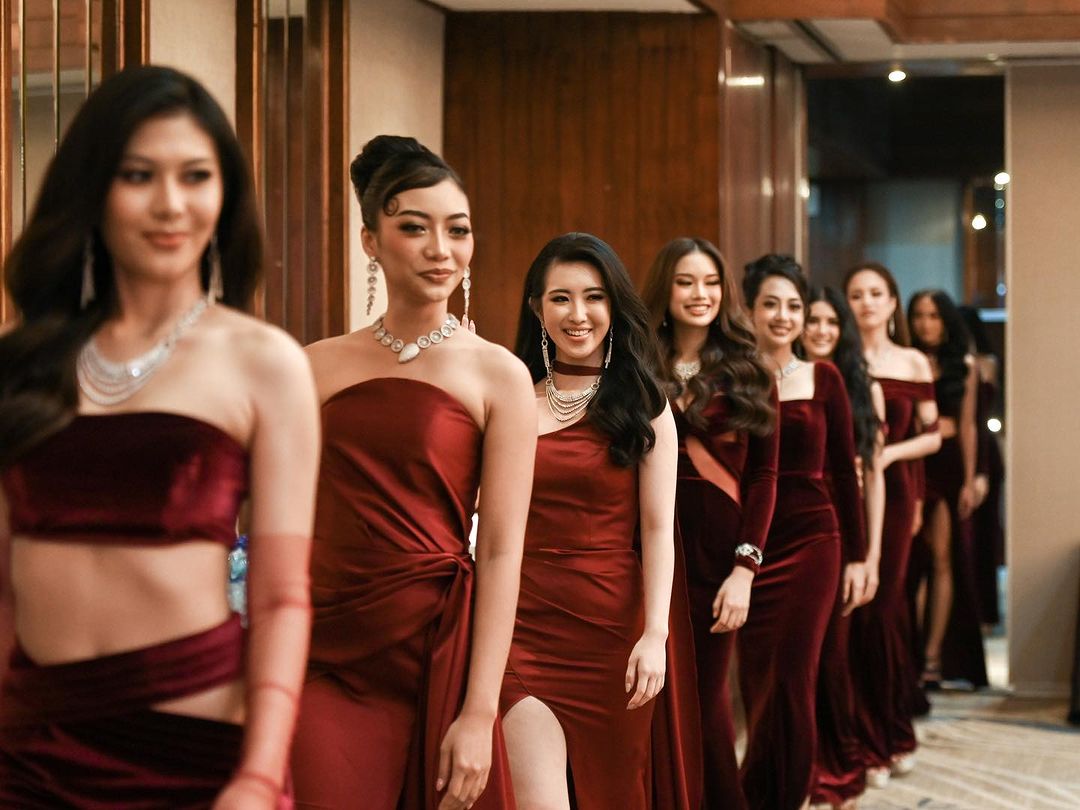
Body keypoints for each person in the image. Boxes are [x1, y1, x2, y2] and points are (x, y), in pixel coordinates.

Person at [0, 65, 319, 807]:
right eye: (138, 175)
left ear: (225, 195)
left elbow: (280, 599)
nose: (171, 205)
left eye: (196, 176)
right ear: (93, 190)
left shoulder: (263, 363)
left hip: (195, 754)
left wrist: (260, 775)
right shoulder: (22, 364)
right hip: (31, 750)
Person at [290, 135, 536, 810]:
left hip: (436, 648)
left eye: (457, 230)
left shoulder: (499, 375)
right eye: (413, 228)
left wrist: (480, 711)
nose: (440, 250)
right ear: (371, 242)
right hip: (323, 644)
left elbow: (504, 548)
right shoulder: (314, 366)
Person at [501, 232, 681, 809]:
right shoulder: (508, 398)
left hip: (612, 632)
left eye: (594, 297)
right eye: (560, 298)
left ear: (614, 306)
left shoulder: (645, 404)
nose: (578, 315)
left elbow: (657, 529)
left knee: (615, 796)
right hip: (519, 627)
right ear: (537, 307)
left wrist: (655, 632)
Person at [640, 237, 777, 810]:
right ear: (665, 291)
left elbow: (765, 479)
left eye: (711, 283)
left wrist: (745, 569)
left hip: (719, 562)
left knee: (707, 708)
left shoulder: (750, 372)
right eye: (686, 282)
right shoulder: (637, 364)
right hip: (645, 555)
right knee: (651, 704)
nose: (700, 295)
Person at [739, 255, 867, 810]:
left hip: (815, 541)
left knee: (793, 679)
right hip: (747, 546)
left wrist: (860, 557)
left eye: (794, 306)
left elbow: (845, 470)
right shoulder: (734, 379)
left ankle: (790, 795)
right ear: (748, 310)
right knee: (757, 684)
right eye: (771, 304)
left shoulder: (825, 377)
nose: (784, 316)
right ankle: (754, 792)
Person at [845, 262, 941, 787]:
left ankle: (890, 734)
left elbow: (933, 438)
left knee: (885, 609)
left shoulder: (913, 362)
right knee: (851, 616)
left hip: (896, 493)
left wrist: (885, 456)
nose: (866, 303)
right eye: (856, 294)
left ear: (892, 301)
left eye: (875, 293)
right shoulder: (839, 359)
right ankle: (859, 737)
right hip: (845, 493)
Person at [802, 286, 886, 809]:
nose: (822, 331)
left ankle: (841, 767)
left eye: (832, 323)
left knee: (833, 658)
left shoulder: (858, 386)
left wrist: (870, 556)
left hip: (839, 529)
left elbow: (871, 478)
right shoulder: (774, 378)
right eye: (814, 320)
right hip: (792, 530)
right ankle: (802, 767)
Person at [908, 290, 988, 690]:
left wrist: (973, 476)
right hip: (911, 462)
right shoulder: (905, 359)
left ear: (947, 321)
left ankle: (933, 657)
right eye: (919, 315)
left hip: (948, 466)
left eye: (934, 316)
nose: (926, 323)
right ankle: (909, 655)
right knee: (911, 562)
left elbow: (969, 425)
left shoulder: (965, 365)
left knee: (941, 559)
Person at [958, 305, 1004, 627]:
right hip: (969, 446)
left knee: (987, 532)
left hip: (988, 449)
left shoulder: (986, 363)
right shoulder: (956, 364)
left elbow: (988, 409)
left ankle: (987, 611)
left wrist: (982, 471)